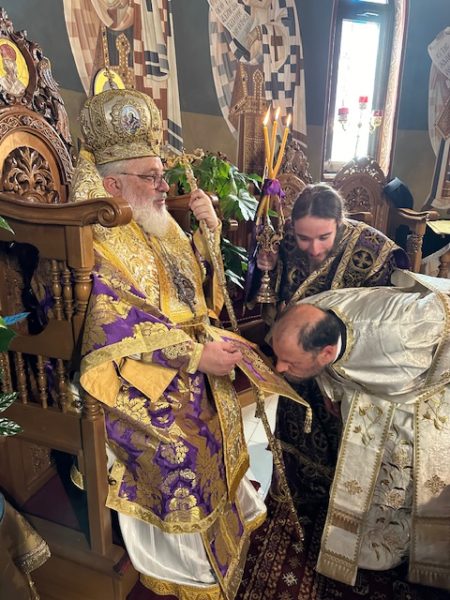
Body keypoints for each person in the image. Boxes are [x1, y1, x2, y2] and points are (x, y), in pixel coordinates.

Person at [71, 88, 266, 599]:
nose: (164, 187)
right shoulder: (98, 234)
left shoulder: (155, 221)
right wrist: (196, 356)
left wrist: (208, 230)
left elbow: (194, 292)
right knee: (182, 442)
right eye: (152, 177)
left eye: (163, 175)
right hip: (125, 369)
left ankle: (224, 530)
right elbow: (115, 319)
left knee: (229, 402)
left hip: (171, 354)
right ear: (112, 184)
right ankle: (187, 564)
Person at [271, 269, 450, 591]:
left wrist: (431, 384)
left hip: (421, 395)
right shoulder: (312, 311)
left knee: (405, 472)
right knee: (365, 469)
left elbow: (444, 311)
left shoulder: (403, 332)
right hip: (371, 398)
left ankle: (402, 542)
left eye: (289, 362)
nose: (279, 368)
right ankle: (369, 535)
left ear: (327, 353)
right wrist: (332, 389)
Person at [256, 182, 409, 507]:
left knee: (343, 452)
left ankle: (335, 511)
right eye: (304, 238)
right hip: (298, 365)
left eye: (323, 237)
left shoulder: (374, 251)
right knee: (294, 434)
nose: (313, 248)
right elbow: (272, 296)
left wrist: (339, 381)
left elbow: (384, 327)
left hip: (347, 372)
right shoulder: (286, 240)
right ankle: (293, 501)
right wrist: (264, 266)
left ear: (339, 223)